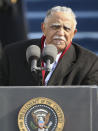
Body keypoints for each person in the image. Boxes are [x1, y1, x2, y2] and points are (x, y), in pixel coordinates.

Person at [0, 6, 98, 86]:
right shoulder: (12, 54)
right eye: (55, 27)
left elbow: (90, 102)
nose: (60, 33)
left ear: (74, 33)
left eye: (66, 28)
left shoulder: (89, 63)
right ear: (44, 28)